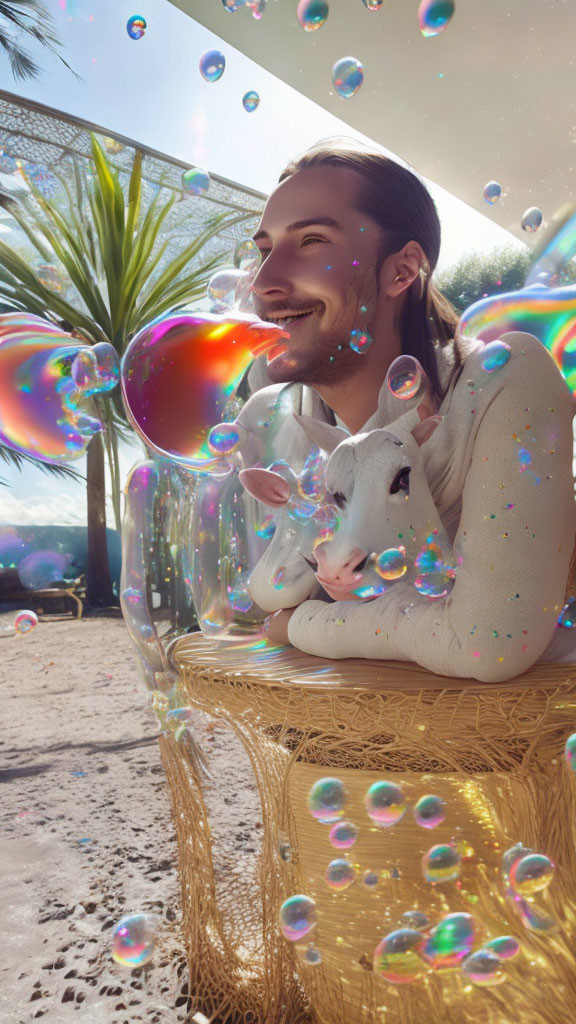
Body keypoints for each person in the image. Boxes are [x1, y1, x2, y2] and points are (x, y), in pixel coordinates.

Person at [205, 136, 576, 682]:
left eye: (311, 241)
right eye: (264, 251)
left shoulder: (502, 380)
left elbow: (487, 643)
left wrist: (299, 625)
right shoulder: (272, 426)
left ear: (402, 271)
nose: (264, 284)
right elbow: (257, 601)